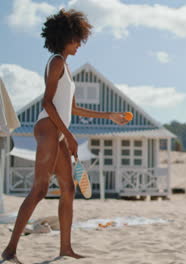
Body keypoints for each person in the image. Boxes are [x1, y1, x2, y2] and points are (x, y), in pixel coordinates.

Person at [2, 9, 129, 263]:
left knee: (68, 189)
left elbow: (72, 108)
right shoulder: (56, 61)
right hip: (48, 127)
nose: (79, 44)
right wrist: (68, 135)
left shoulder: (66, 67)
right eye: (77, 39)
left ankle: (65, 248)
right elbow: (48, 103)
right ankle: (10, 250)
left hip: (58, 129)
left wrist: (109, 115)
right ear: (65, 37)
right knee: (39, 190)